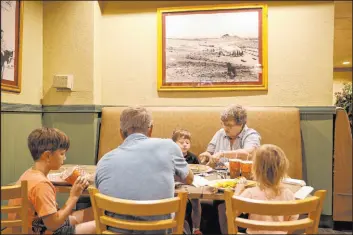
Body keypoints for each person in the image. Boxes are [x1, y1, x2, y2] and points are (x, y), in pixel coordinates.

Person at [95, 106, 194, 234]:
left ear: (121, 133)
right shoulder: (169, 146)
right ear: (150, 129)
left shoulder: (104, 161)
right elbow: (190, 178)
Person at [9, 127, 96, 235]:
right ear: (48, 155)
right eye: (62, 153)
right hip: (46, 230)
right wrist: (74, 196)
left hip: (39, 225)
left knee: (91, 213)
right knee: (97, 225)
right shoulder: (41, 185)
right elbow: (53, 224)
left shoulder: (29, 174)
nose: (64, 158)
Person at [198, 104, 261, 234]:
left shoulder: (251, 134)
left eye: (230, 125)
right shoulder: (220, 133)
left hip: (244, 183)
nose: (225, 128)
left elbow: (248, 152)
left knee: (224, 205)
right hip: (219, 183)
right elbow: (209, 151)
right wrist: (206, 156)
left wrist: (223, 154)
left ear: (242, 123)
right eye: (223, 124)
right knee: (217, 204)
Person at [232, 144, 299, 234]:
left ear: (255, 169)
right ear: (283, 168)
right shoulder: (288, 194)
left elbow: (231, 213)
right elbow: (292, 222)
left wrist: (238, 191)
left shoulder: (250, 193)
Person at [172, 129, 202, 235]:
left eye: (187, 143)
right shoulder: (172, 156)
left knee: (196, 202)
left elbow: (200, 169)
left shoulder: (193, 157)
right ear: (173, 143)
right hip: (177, 187)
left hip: (192, 185)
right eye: (181, 142)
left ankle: (196, 228)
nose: (185, 145)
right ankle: (179, 227)